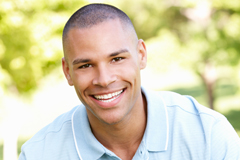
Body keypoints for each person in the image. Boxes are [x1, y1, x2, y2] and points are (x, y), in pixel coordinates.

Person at [19, 3, 240, 160]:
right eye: (85, 65)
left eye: (117, 59)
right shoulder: (39, 154)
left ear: (141, 55)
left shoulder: (208, 135)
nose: (104, 80)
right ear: (67, 71)